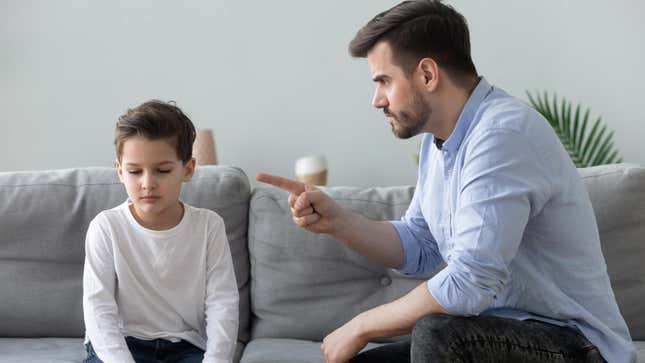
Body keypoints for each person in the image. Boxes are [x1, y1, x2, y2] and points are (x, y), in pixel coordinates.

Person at [256, 1, 635, 362]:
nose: (377, 99)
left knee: (437, 334)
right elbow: (420, 244)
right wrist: (339, 221)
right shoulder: (438, 144)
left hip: (575, 346)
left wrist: (362, 325)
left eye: (384, 81)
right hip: (492, 336)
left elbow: (469, 284)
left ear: (427, 74)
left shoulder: (502, 133)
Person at [82, 100, 239, 363]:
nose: (147, 184)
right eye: (134, 171)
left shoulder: (209, 226)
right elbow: (99, 310)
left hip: (186, 347)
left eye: (163, 171)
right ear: (120, 171)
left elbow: (223, 305)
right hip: (122, 345)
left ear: (187, 169)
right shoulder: (106, 227)